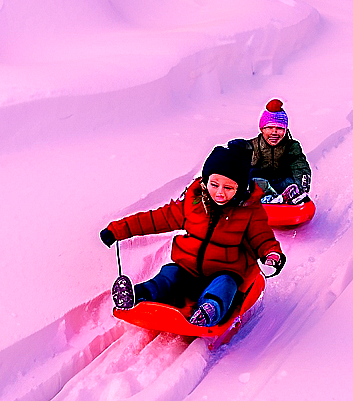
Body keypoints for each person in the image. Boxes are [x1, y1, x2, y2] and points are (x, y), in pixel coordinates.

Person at [101, 140, 285, 327]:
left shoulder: (249, 212)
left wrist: (272, 254)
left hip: (223, 272)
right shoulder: (193, 204)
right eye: (214, 184)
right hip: (187, 270)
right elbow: (156, 219)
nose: (219, 193)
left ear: (241, 188)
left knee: (226, 286)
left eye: (228, 188)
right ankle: (137, 295)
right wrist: (118, 229)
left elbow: (262, 238)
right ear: (205, 182)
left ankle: (208, 310)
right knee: (169, 275)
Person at [246, 99, 312, 205]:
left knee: (291, 182)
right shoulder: (253, 146)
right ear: (262, 129)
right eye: (270, 127)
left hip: (282, 186)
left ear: (285, 130)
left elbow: (299, 165)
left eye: (279, 128)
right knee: (253, 179)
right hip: (259, 187)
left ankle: (288, 197)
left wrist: (301, 187)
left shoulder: (291, 146)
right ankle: (265, 198)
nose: (274, 132)